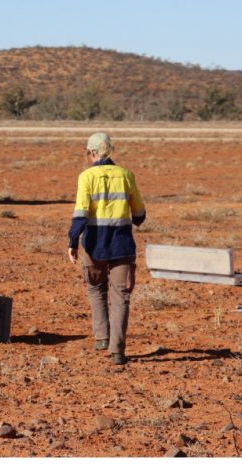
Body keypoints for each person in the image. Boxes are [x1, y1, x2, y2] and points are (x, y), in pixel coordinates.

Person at [68, 132, 148, 365]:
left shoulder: (86, 177)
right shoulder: (126, 175)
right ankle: (117, 351)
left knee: (95, 288)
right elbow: (139, 214)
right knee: (120, 296)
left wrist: (72, 241)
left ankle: (102, 337)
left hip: (94, 245)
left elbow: (81, 213)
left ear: (92, 153)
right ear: (110, 151)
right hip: (122, 245)